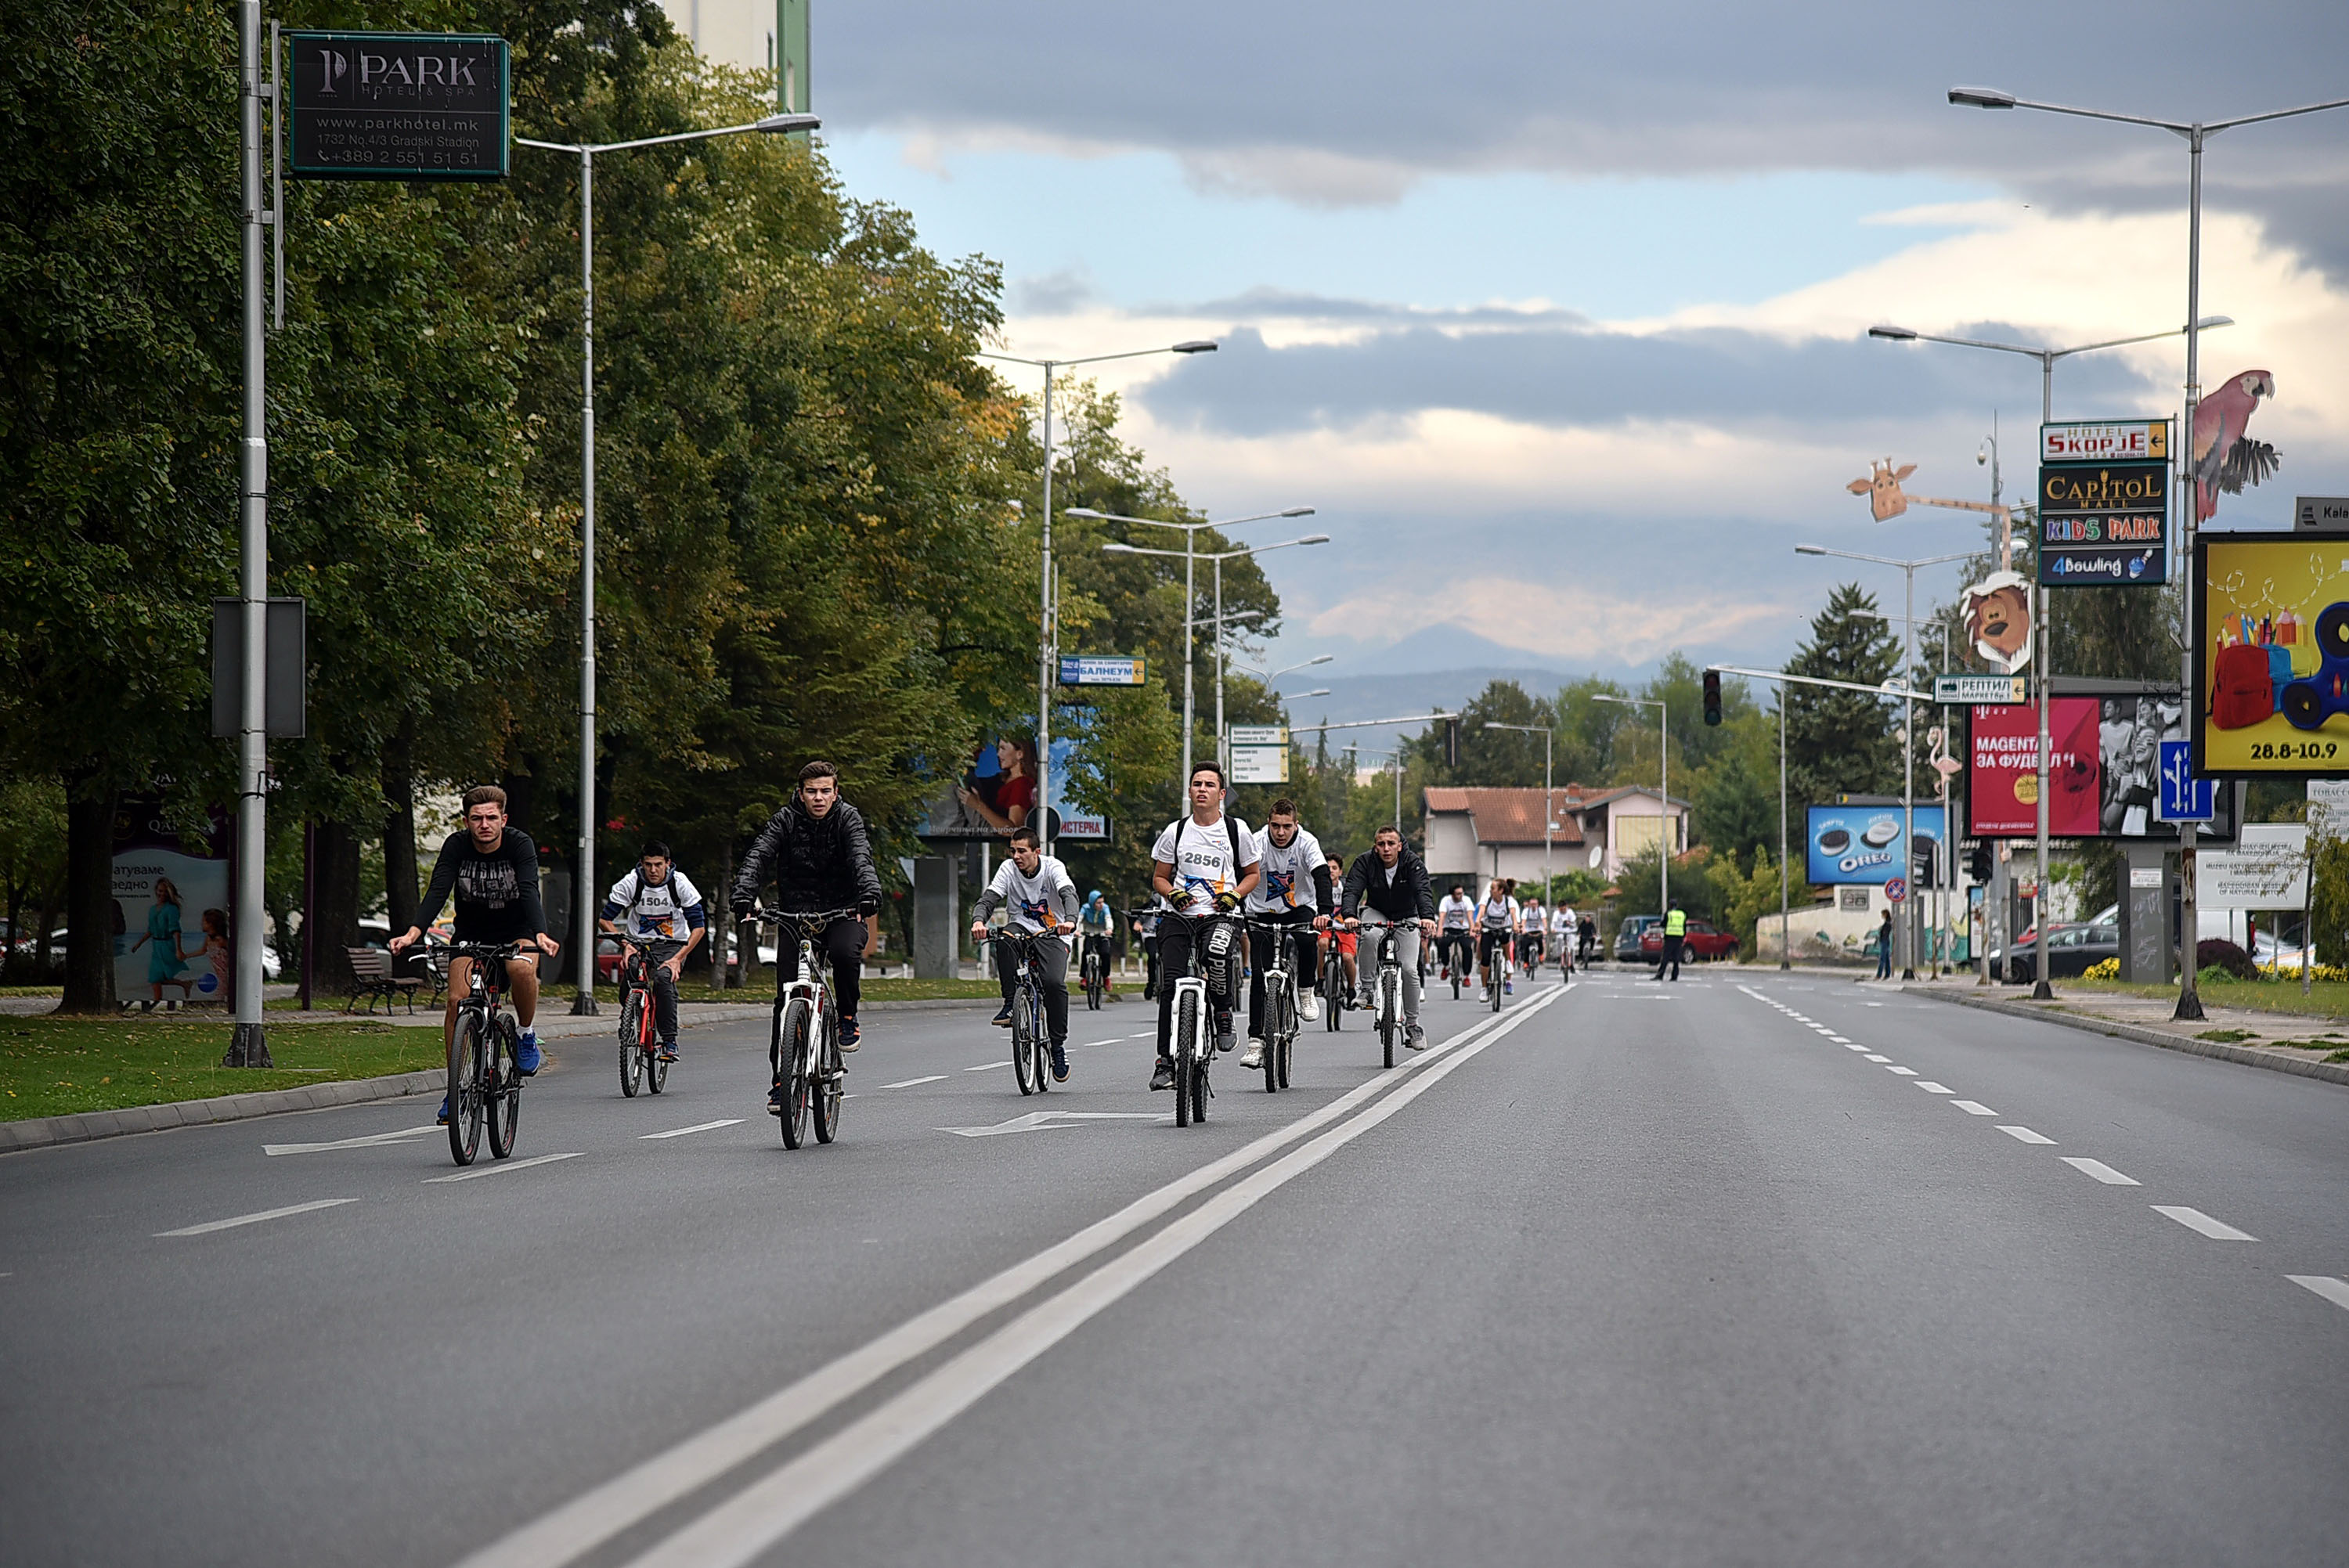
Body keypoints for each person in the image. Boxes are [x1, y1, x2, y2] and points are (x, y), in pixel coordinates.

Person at [392, 786, 560, 1124]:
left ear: (503, 819)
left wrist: (540, 932)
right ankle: (456, 1088)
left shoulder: (519, 844)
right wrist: (413, 931)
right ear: (467, 821)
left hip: (518, 930)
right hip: (471, 934)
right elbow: (438, 889)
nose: (484, 824)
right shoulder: (456, 846)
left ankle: (525, 1035)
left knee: (522, 970)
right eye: (477, 818)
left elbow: (528, 888)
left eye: (491, 818)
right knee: (456, 1001)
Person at [731, 762, 884, 1116]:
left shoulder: (848, 819)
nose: (819, 798)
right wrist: (743, 895)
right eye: (812, 791)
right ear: (800, 793)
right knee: (786, 999)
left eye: (825, 791)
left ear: (836, 792)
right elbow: (759, 855)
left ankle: (846, 1015)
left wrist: (868, 894)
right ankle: (782, 1081)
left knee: (846, 954)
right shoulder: (784, 820)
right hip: (795, 915)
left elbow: (861, 857)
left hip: (843, 911)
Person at [1147, 761, 1259, 1090]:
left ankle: (1223, 1011)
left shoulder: (1236, 830)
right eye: (1197, 784)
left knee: (1217, 953)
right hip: (1179, 916)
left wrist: (1234, 896)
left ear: (1221, 794)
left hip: (1222, 914)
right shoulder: (1176, 831)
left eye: (1209, 785)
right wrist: (1173, 892)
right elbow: (1159, 877)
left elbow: (1252, 874)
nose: (1202, 790)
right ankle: (1165, 1063)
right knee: (1169, 986)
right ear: (1189, 791)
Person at [972, 824, 1081, 1082]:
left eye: (1022, 851)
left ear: (1037, 852)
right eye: (1013, 851)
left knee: (1053, 983)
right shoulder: (1008, 869)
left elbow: (1069, 894)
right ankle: (1011, 1003)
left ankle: (1057, 1046)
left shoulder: (1053, 867)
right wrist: (978, 921)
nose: (1016, 856)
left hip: (1053, 930)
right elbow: (989, 898)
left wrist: (1071, 920)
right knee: (1005, 938)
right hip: (1021, 927)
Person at [1240, 798, 1330, 1069]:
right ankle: (1256, 1043)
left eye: (1287, 827)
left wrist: (1325, 912)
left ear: (1296, 825)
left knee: (1306, 939)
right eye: (1276, 826)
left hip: (1299, 907)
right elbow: (1240, 874)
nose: (1281, 833)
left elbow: (1322, 875)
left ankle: (1305, 989)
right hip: (1261, 912)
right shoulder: (1256, 842)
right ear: (1268, 824)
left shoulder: (1307, 842)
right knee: (1259, 975)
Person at [599, 841, 705, 1064]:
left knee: (663, 979)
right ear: (641, 864)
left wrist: (678, 959)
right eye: (648, 865)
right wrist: (626, 945)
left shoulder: (680, 884)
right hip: (638, 942)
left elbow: (699, 928)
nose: (653, 870)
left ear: (668, 863)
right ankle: (630, 1015)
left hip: (673, 944)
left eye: (658, 865)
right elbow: (605, 920)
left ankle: (669, 1041)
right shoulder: (632, 882)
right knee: (631, 974)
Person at [1340, 825, 1438, 1048]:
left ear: (1400, 846)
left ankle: (1412, 1025)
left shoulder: (1412, 863)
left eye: (1391, 844)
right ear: (1375, 847)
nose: (1386, 849)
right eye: (1381, 844)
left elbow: (1422, 890)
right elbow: (1353, 889)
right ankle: (1366, 990)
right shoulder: (1364, 862)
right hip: (1377, 911)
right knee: (1370, 935)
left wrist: (1427, 918)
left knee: (1410, 969)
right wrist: (1349, 915)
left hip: (1408, 915)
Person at [129, 877, 193, 1011]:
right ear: (156, 891)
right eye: (160, 891)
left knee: (156, 978)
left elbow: (175, 930)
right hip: (156, 945)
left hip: (167, 945)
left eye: (164, 891)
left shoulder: (172, 909)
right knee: (156, 978)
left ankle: (157, 1002)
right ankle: (183, 985)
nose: (162, 894)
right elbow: (151, 929)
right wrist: (139, 944)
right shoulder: (153, 909)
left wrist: (178, 949)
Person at [956, 735, 1038, 835]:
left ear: (1020, 754)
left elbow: (1013, 831)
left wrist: (978, 806)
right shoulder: (1001, 779)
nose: (998, 754)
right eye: (998, 749)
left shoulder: (1022, 785)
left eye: (1003, 749)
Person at [1322, 852, 1359, 1002]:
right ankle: (1320, 979)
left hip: (1345, 927)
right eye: (1328, 868)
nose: (1331, 871)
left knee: (1347, 957)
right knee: (1322, 944)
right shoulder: (1318, 887)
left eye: (1334, 868)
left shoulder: (1347, 888)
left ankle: (1351, 988)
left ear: (1340, 872)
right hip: (1325, 927)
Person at [1476, 878, 1518, 997]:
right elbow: (1481, 912)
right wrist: (1478, 922)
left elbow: (1513, 914)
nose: (1491, 891)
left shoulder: (1509, 901)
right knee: (1486, 958)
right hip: (1488, 929)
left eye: (1493, 889)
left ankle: (1508, 963)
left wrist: (1515, 924)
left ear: (1501, 890)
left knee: (1506, 938)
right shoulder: (1487, 899)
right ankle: (1484, 989)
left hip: (1503, 928)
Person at [1077, 889, 1117, 997]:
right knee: (1086, 952)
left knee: (1105, 953)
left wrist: (1109, 929)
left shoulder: (1105, 908)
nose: (1101, 905)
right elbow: (1078, 919)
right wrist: (1076, 930)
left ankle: (1106, 977)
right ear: (1092, 903)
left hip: (1102, 933)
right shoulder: (1085, 908)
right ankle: (1084, 977)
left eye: (1102, 902)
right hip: (1089, 933)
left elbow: (1108, 919)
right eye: (1098, 903)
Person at [1436, 883, 1476, 983]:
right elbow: (1442, 917)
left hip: (1464, 930)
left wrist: (1472, 930)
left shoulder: (1466, 900)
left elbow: (1470, 917)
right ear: (1452, 895)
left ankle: (1466, 976)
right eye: (1458, 894)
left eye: (1461, 893)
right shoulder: (1446, 901)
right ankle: (1446, 966)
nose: (1460, 896)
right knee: (1442, 944)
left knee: (1467, 948)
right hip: (1449, 929)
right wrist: (1440, 930)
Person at [1517, 889, 1547, 978]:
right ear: (1529, 905)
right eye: (1532, 904)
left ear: (1537, 905)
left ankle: (1541, 955)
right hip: (1528, 930)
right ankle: (1526, 962)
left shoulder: (1541, 910)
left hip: (1539, 929)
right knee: (1526, 945)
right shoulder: (1526, 911)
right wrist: (1523, 929)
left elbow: (1544, 920)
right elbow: (1523, 922)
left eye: (1535, 904)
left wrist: (1545, 929)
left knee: (1540, 941)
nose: (1534, 906)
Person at [1657, 899, 1687, 982]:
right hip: (1679, 938)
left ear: (1670, 905)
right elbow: (1684, 926)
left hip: (1670, 937)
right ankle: (1674, 976)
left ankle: (1660, 975)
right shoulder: (1682, 914)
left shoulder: (1669, 914)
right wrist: (1683, 935)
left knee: (1665, 957)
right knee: (1676, 958)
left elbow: (1663, 924)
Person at [1552, 901, 1579, 978]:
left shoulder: (1570, 913)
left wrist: (1570, 924)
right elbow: (1553, 923)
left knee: (1572, 948)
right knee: (1559, 940)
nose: (1562, 910)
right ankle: (1561, 959)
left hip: (1571, 932)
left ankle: (1572, 965)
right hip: (1560, 931)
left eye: (1564, 908)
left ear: (1566, 907)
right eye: (1561, 909)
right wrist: (1553, 929)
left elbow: (1574, 921)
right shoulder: (1556, 913)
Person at [1875, 906, 1894, 981]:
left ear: (1885, 914)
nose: (1882, 916)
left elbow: (1885, 933)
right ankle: (1887, 974)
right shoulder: (1888, 922)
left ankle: (1879, 975)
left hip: (1884, 941)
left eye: (1882, 914)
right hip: (1886, 941)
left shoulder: (1887, 924)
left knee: (1882, 959)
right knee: (1886, 959)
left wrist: (1881, 936)